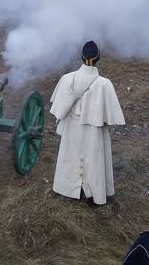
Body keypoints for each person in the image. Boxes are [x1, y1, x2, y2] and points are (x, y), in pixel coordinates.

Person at [48, 40, 126, 205]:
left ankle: (67, 189)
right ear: (98, 58)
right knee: (94, 158)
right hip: (94, 131)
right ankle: (94, 193)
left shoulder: (67, 79)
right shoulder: (105, 84)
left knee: (70, 156)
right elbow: (111, 118)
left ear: (81, 57)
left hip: (71, 128)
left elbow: (58, 109)